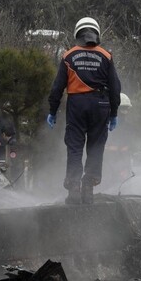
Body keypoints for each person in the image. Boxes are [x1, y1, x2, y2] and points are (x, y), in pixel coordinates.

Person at [47, 16, 122, 204]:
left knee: (75, 146)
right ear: (96, 32)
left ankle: (73, 187)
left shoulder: (68, 56)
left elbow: (57, 88)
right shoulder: (106, 56)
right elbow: (115, 87)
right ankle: (88, 186)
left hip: (77, 104)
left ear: (77, 32)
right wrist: (114, 113)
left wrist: (53, 111)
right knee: (96, 146)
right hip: (101, 105)